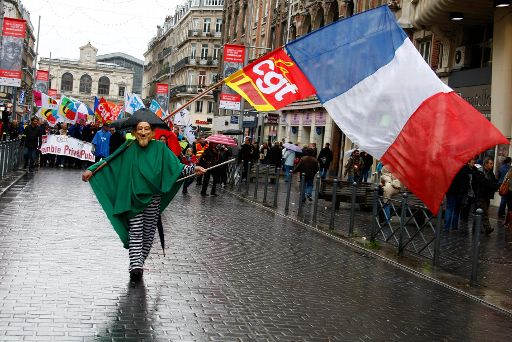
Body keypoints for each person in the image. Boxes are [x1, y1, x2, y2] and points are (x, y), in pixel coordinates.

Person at [82, 119, 206, 281]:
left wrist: (193, 169)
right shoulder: (128, 147)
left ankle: (139, 261)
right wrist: (91, 170)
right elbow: (110, 160)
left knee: (148, 233)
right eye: (139, 129)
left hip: (153, 198)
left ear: (152, 132)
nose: (143, 132)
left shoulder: (161, 148)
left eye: (147, 129)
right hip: (133, 197)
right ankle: (135, 265)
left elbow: (175, 167)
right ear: (134, 132)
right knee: (136, 232)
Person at [475, 157, 498, 235]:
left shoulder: (490, 172)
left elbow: (493, 181)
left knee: (480, 212)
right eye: (490, 163)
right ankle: (487, 228)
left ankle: (476, 227)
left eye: (492, 163)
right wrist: (493, 185)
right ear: (486, 164)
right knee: (484, 212)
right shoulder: (480, 172)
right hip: (481, 195)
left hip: (487, 195)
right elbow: (484, 183)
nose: (492, 165)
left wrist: (496, 185)